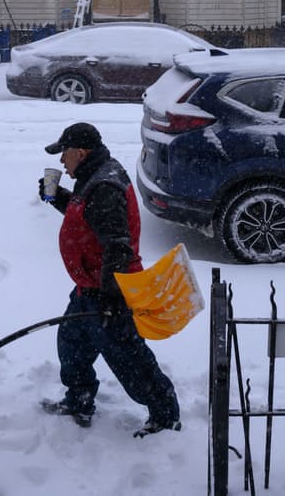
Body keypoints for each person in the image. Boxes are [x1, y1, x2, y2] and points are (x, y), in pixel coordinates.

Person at [37, 121, 181, 437]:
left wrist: (111, 296)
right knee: (72, 344)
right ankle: (79, 400)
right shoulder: (94, 175)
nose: (62, 161)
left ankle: (166, 417)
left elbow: (118, 245)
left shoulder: (104, 186)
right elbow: (88, 218)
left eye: (64, 154)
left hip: (111, 292)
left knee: (131, 362)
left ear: (80, 152)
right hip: (89, 288)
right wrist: (58, 196)